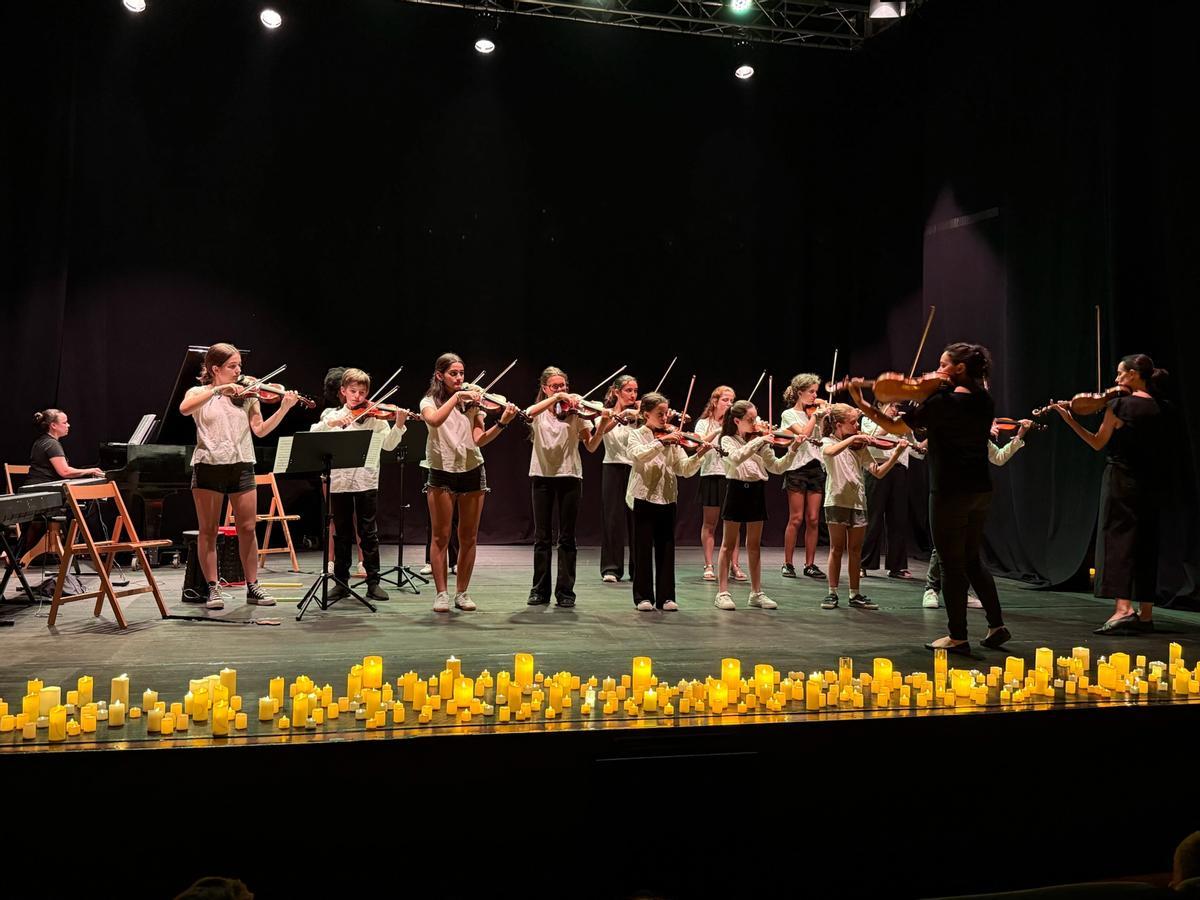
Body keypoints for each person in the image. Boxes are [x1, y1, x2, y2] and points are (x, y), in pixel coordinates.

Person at [852, 343, 1010, 654]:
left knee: (951, 565)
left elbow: (894, 426)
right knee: (972, 559)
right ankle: (996, 625)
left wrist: (862, 403)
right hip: (980, 488)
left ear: (959, 369)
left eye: (942, 365)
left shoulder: (941, 402)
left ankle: (957, 636)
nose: (935, 372)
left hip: (949, 489)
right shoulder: (984, 399)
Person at [1051, 353, 1168, 635]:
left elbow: (1097, 442)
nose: (1116, 379)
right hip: (1153, 483)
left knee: (1118, 541)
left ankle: (1123, 609)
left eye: (1120, 373)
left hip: (1122, 480)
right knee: (1146, 542)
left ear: (1133, 375)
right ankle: (1146, 614)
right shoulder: (1163, 407)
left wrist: (1070, 420)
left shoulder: (1119, 405)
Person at [179, 343, 300, 610]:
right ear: (215, 369)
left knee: (247, 528)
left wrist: (283, 408)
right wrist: (218, 390)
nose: (238, 372)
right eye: (232, 366)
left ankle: (253, 585)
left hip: (242, 465)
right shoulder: (199, 393)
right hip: (209, 465)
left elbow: (260, 430)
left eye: (239, 366)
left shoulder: (248, 395)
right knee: (208, 531)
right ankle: (213, 588)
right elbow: (185, 409)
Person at [419, 352, 519, 612]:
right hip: (441, 471)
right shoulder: (428, 401)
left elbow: (479, 440)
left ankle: (462, 592)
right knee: (441, 536)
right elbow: (434, 421)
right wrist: (457, 397)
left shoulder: (474, 405)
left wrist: (502, 423)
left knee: (468, 537)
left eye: (461, 373)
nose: (459, 378)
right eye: (453, 373)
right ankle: (441, 594)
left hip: (472, 470)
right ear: (440, 375)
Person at [311, 368, 410, 603]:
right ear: (343, 391)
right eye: (353, 391)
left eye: (362, 392)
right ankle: (341, 583)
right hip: (340, 482)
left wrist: (399, 425)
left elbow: (388, 446)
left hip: (366, 480)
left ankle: (373, 582)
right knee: (342, 534)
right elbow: (314, 434)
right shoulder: (331, 414)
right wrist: (334, 423)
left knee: (368, 533)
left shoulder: (375, 418)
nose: (357, 396)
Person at [522, 366, 609, 607]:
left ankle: (565, 592)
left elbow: (591, 446)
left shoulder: (576, 411)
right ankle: (539, 590)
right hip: (541, 476)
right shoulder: (540, 411)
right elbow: (528, 412)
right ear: (545, 388)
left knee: (567, 538)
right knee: (542, 538)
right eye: (555, 386)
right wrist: (556, 397)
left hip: (570, 476)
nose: (561, 390)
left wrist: (602, 426)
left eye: (563, 386)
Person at [922, 418, 1032, 609]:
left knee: (965, 544)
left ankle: (960, 590)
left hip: (973, 493)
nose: (995, 426)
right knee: (945, 541)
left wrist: (1020, 434)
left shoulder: (983, 440)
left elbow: (999, 458)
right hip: (949, 491)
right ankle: (931, 589)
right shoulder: (958, 430)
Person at [712, 400, 803, 611]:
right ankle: (722, 593)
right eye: (750, 420)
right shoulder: (727, 440)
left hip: (756, 491)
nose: (756, 423)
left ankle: (756, 593)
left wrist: (793, 450)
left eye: (756, 418)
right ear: (737, 421)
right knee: (728, 544)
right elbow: (736, 458)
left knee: (754, 545)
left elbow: (777, 467)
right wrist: (760, 440)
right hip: (736, 489)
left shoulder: (760, 441)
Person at [625, 392, 711, 611]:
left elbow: (683, 469)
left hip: (667, 498)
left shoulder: (673, 440)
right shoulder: (637, 435)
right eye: (660, 414)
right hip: (644, 497)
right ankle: (643, 597)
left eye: (665, 414)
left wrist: (699, 455)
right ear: (646, 414)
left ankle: (666, 597)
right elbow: (638, 456)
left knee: (666, 548)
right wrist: (661, 442)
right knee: (643, 549)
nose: (665, 418)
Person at [817, 403, 907, 612]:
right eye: (853, 423)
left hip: (857, 502)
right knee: (836, 549)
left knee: (856, 551)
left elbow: (877, 472)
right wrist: (853, 439)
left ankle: (854, 594)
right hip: (836, 501)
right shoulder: (827, 441)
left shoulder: (860, 447)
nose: (857, 426)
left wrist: (896, 453)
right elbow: (830, 452)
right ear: (838, 425)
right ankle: (832, 592)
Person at [860, 402, 918, 580]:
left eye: (897, 406)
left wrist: (920, 433)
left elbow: (917, 450)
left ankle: (897, 567)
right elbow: (873, 438)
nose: (895, 409)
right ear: (880, 404)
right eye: (892, 405)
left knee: (898, 519)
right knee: (873, 517)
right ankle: (863, 564)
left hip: (899, 470)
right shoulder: (868, 419)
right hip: (877, 468)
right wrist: (892, 424)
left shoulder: (901, 425)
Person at [779, 374, 829, 579]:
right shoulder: (789, 414)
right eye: (811, 392)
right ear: (800, 393)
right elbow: (803, 435)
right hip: (797, 468)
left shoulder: (815, 413)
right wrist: (816, 416)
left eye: (816, 391)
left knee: (814, 519)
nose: (815, 395)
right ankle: (788, 563)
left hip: (816, 467)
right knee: (796, 518)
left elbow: (822, 438)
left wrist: (824, 417)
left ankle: (810, 564)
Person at [693, 385, 745, 582]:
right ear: (715, 402)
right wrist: (717, 431)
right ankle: (708, 565)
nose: (729, 404)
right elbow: (698, 445)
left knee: (733, 524)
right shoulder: (703, 423)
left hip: (731, 475)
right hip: (711, 475)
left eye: (732, 401)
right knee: (710, 523)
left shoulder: (735, 425)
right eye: (725, 400)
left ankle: (734, 565)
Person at [599, 374, 640, 583]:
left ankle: (638, 569)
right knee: (612, 519)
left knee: (637, 520)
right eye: (628, 390)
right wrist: (621, 414)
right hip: (612, 467)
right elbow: (601, 431)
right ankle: (611, 568)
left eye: (635, 391)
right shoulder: (605, 412)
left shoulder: (639, 416)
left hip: (635, 468)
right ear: (616, 392)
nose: (633, 395)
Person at [27, 409, 105, 485]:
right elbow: (65, 472)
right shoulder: (51, 443)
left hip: (38, 485)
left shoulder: (41, 441)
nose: (68, 425)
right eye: (64, 423)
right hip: (42, 487)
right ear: (53, 425)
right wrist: (91, 471)